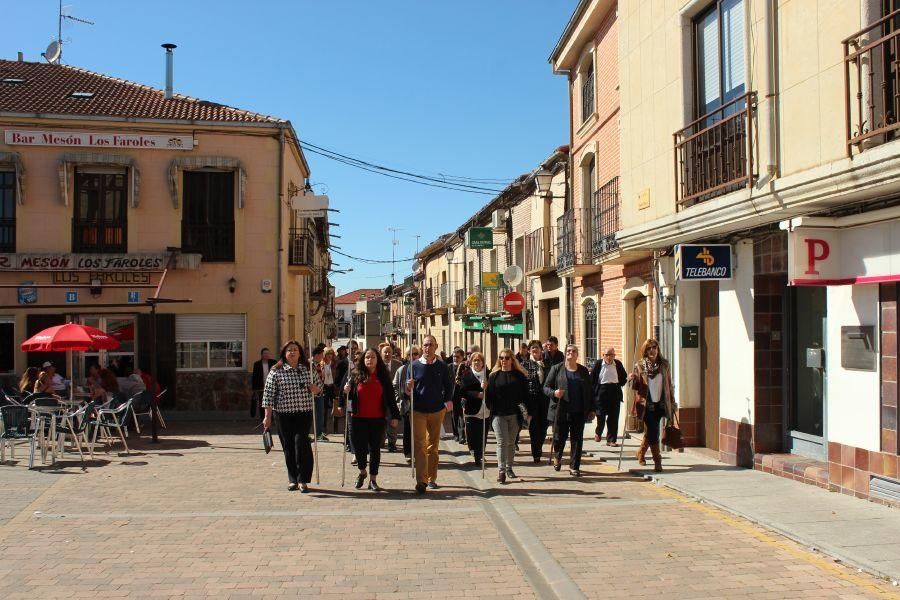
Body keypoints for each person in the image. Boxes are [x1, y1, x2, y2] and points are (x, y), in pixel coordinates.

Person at [262, 340, 322, 493]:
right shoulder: (276, 371)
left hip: (303, 413)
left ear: (300, 352)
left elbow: (320, 388)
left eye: (295, 349)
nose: (293, 352)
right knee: (288, 447)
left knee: (301, 444)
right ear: (284, 353)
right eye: (289, 350)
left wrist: (315, 389)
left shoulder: (308, 369)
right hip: (283, 415)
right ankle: (293, 479)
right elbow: (268, 396)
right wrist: (267, 417)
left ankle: (303, 479)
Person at [344, 348, 400, 491]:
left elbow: (390, 397)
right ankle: (362, 471)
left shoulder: (383, 376)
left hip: (377, 418)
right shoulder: (355, 374)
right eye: (367, 357)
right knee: (360, 449)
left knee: (375, 449)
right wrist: (346, 391)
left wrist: (394, 415)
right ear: (363, 359)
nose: (370, 360)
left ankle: (373, 479)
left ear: (377, 359)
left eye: (373, 357)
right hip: (358, 418)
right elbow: (346, 394)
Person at [406, 334, 452, 494]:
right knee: (420, 446)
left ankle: (432, 478)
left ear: (436, 346)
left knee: (433, 446)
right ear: (421, 347)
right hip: (418, 410)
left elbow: (448, 386)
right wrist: (408, 386)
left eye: (431, 345)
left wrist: (447, 403)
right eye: (425, 345)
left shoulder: (442, 366)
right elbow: (406, 391)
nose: (428, 348)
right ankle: (422, 481)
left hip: (437, 410)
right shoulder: (413, 366)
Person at [544, 345, 594, 477]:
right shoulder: (557, 369)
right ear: (565, 354)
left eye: (573, 351)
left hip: (578, 411)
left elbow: (590, 391)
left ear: (577, 355)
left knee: (577, 439)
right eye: (568, 351)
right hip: (561, 410)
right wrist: (554, 393)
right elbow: (546, 387)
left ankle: (574, 466)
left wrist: (592, 409)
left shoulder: (583, 371)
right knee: (559, 438)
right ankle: (558, 456)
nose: (570, 353)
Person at [630, 338, 675, 473]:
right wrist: (633, 379)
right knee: (654, 432)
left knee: (651, 431)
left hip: (661, 404)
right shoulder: (640, 366)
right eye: (649, 348)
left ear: (658, 349)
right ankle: (657, 461)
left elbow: (669, 384)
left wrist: (672, 402)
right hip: (646, 405)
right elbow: (635, 387)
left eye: (654, 347)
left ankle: (641, 452)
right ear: (645, 351)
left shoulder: (664, 365)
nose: (652, 350)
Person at [487, 349, 528, 483]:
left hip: (514, 414)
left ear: (512, 360)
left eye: (506, 358)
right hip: (498, 415)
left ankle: (509, 467)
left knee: (511, 442)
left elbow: (525, 395)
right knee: (502, 441)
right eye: (501, 358)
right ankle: (501, 470)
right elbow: (489, 397)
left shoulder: (519, 376)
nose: (503, 360)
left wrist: (527, 411)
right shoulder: (494, 376)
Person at [591, 347, 628, 446]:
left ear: (614, 356)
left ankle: (611, 440)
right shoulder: (598, 364)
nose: (609, 357)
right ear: (603, 355)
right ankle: (598, 432)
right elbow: (592, 379)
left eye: (611, 355)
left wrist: (620, 384)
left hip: (614, 391)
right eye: (607, 355)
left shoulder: (618, 364)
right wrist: (593, 394)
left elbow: (624, 377)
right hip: (601, 391)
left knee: (613, 417)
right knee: (601, 415)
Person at [521, 340, 550, 463]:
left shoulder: (547, 365)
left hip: (545, 400)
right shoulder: (524, 365)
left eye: (537, 347)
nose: (535, 350)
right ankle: (536, 453)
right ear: (529, 350)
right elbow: (522, 384)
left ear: (541, 350)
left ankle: (539, 447)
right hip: (531, 400)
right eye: (532, 348)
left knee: (543, 427)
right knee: (534, 428)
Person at [460, 351, 489, 465]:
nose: (477, 362)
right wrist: (477, 394)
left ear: (483, 363)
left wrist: (487, 388)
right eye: (475, 360)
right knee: (472, 436)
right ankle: (475, 453)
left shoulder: (488, 374)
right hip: (472, 410)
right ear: (471, 362)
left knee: (483, 435)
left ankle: (480, 456)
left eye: (479, 360)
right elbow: (462, 391)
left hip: (485, 409)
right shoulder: (467, 375)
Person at [393, 346, 420, 462]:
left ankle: (419, 453)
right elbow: (394, 386)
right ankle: (408, 452)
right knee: (408, 429)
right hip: (406, 404)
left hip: (421, 404)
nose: (413, 356)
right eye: (410, 354)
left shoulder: (422, 368)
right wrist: (399, 399)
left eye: (415, 354)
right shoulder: (401, 369)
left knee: (420, 430)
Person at [379, 343, 403, 452]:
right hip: (380, 398)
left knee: (393, 420)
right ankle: (380, 441)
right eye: (385, 352)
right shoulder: (377, 365)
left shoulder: (398, 364)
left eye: (389, 352)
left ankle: (392, 443)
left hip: (393, 398)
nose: (387, 354)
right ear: (381, 353)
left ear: (392, 353)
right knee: (380, 420)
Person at [447, 347, 467, 444]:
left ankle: (462, 435)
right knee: (454, 415)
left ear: (462, 357)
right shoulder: (449, 367)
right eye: (454, 356)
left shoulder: (465, 367)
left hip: (462, 394)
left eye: (457, 357)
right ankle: (456, 434)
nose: (455, 358)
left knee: (461, 415)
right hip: (452, 395)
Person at [310, 345, 328, 442]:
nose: (323, 357)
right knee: (310, 415)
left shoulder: (320, 364)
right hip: (311, 394)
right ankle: (308, 434)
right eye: (322, 355)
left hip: (320, 393)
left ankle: (319, 433)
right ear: (317, 355)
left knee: (320, 414)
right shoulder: (309, 364)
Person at [250, 348, 274, 418]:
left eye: (268, 353)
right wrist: (254, 389)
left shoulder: (273, 362)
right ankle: (263, 418)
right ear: (261, 355)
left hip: (271, 387)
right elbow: (254, 376)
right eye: (265, 353)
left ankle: (271, 418)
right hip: (261, 388)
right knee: (262, 404)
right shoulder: (257, 364)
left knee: (271, 404)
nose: (266, 355)